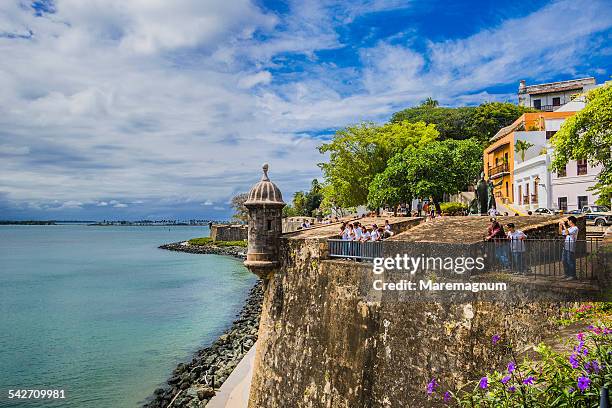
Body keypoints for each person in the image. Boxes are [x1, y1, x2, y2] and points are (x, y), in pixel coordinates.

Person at [560, 216, 578, 281]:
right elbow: (561, 233)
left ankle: (572, 275)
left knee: (570, 261)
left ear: (571, 221)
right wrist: (560, 226)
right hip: (566, 246)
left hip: (571, 246)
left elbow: (567, 233)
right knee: (564, 260)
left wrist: (564, 225)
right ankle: (567, 274)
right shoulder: (570, 228)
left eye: (568, 221)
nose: (567, 222)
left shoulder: (575, 228)